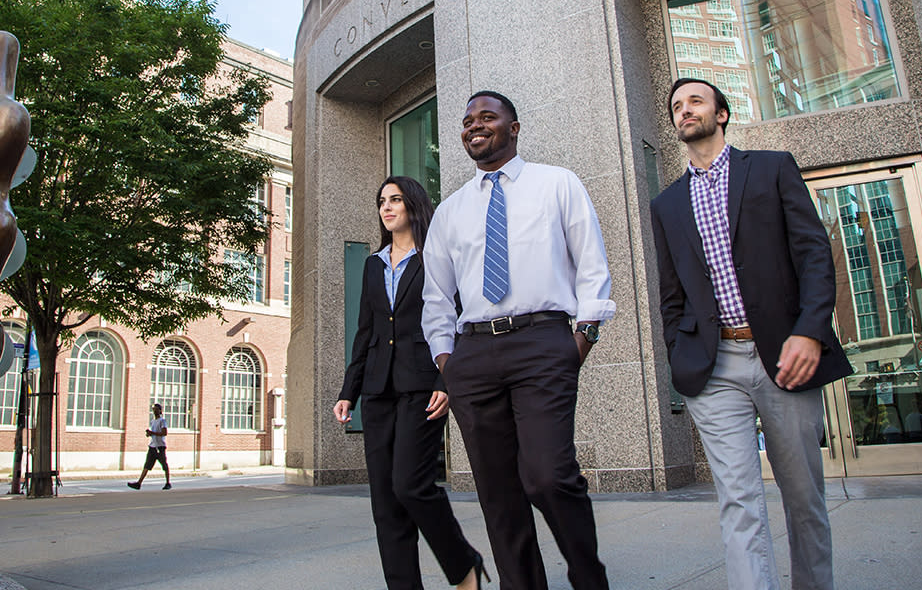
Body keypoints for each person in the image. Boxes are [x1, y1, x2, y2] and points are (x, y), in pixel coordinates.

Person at [650, 78, 853, 590]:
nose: (684, 110)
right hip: (713, 368)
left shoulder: (770, 168)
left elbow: (814, 256)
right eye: (676, 106)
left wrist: (810, 332)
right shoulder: (667, 204)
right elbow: (670, 295)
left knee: (803, 498)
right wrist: (679, 350)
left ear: (721, 113)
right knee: (738, 501)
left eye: (695, 100)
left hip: (784, 357)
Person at [422, 91, 615, 590]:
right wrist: (448, 361)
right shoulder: (450, 211)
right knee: (498, 492)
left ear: (515, 127)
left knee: (549, 475)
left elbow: (592, 268)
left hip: (544, 343)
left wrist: (581, 340)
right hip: (474, 353)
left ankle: (588, 575)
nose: (474, 126)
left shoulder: (558, 184)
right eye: (467, 121)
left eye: (487, 117)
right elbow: (438, 297)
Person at [334, 176, 487, 590]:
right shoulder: (373, 264)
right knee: (385, 501)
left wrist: (447, 377)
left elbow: (456, 321)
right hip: (378, 389)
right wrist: (350, 391)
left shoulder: (437, 256)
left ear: (413, 205)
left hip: (424, 386)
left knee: (411, 485)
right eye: (381, 200)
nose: (386, 207)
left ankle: (463, 564)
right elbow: (365, 331)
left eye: (395, 199)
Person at [127, 403, 171, 490]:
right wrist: (149, 434)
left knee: (164, 465)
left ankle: (168, 482)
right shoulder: (152, 421)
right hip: (152, 446)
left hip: (160, 446)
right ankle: (139, 483)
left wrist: (153, 433)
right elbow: (154, 433)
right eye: (153, 409)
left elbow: (164, 433)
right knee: (147, 465)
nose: (154, 411)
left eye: (156, 409)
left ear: (160, 411)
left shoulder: (162, 421)